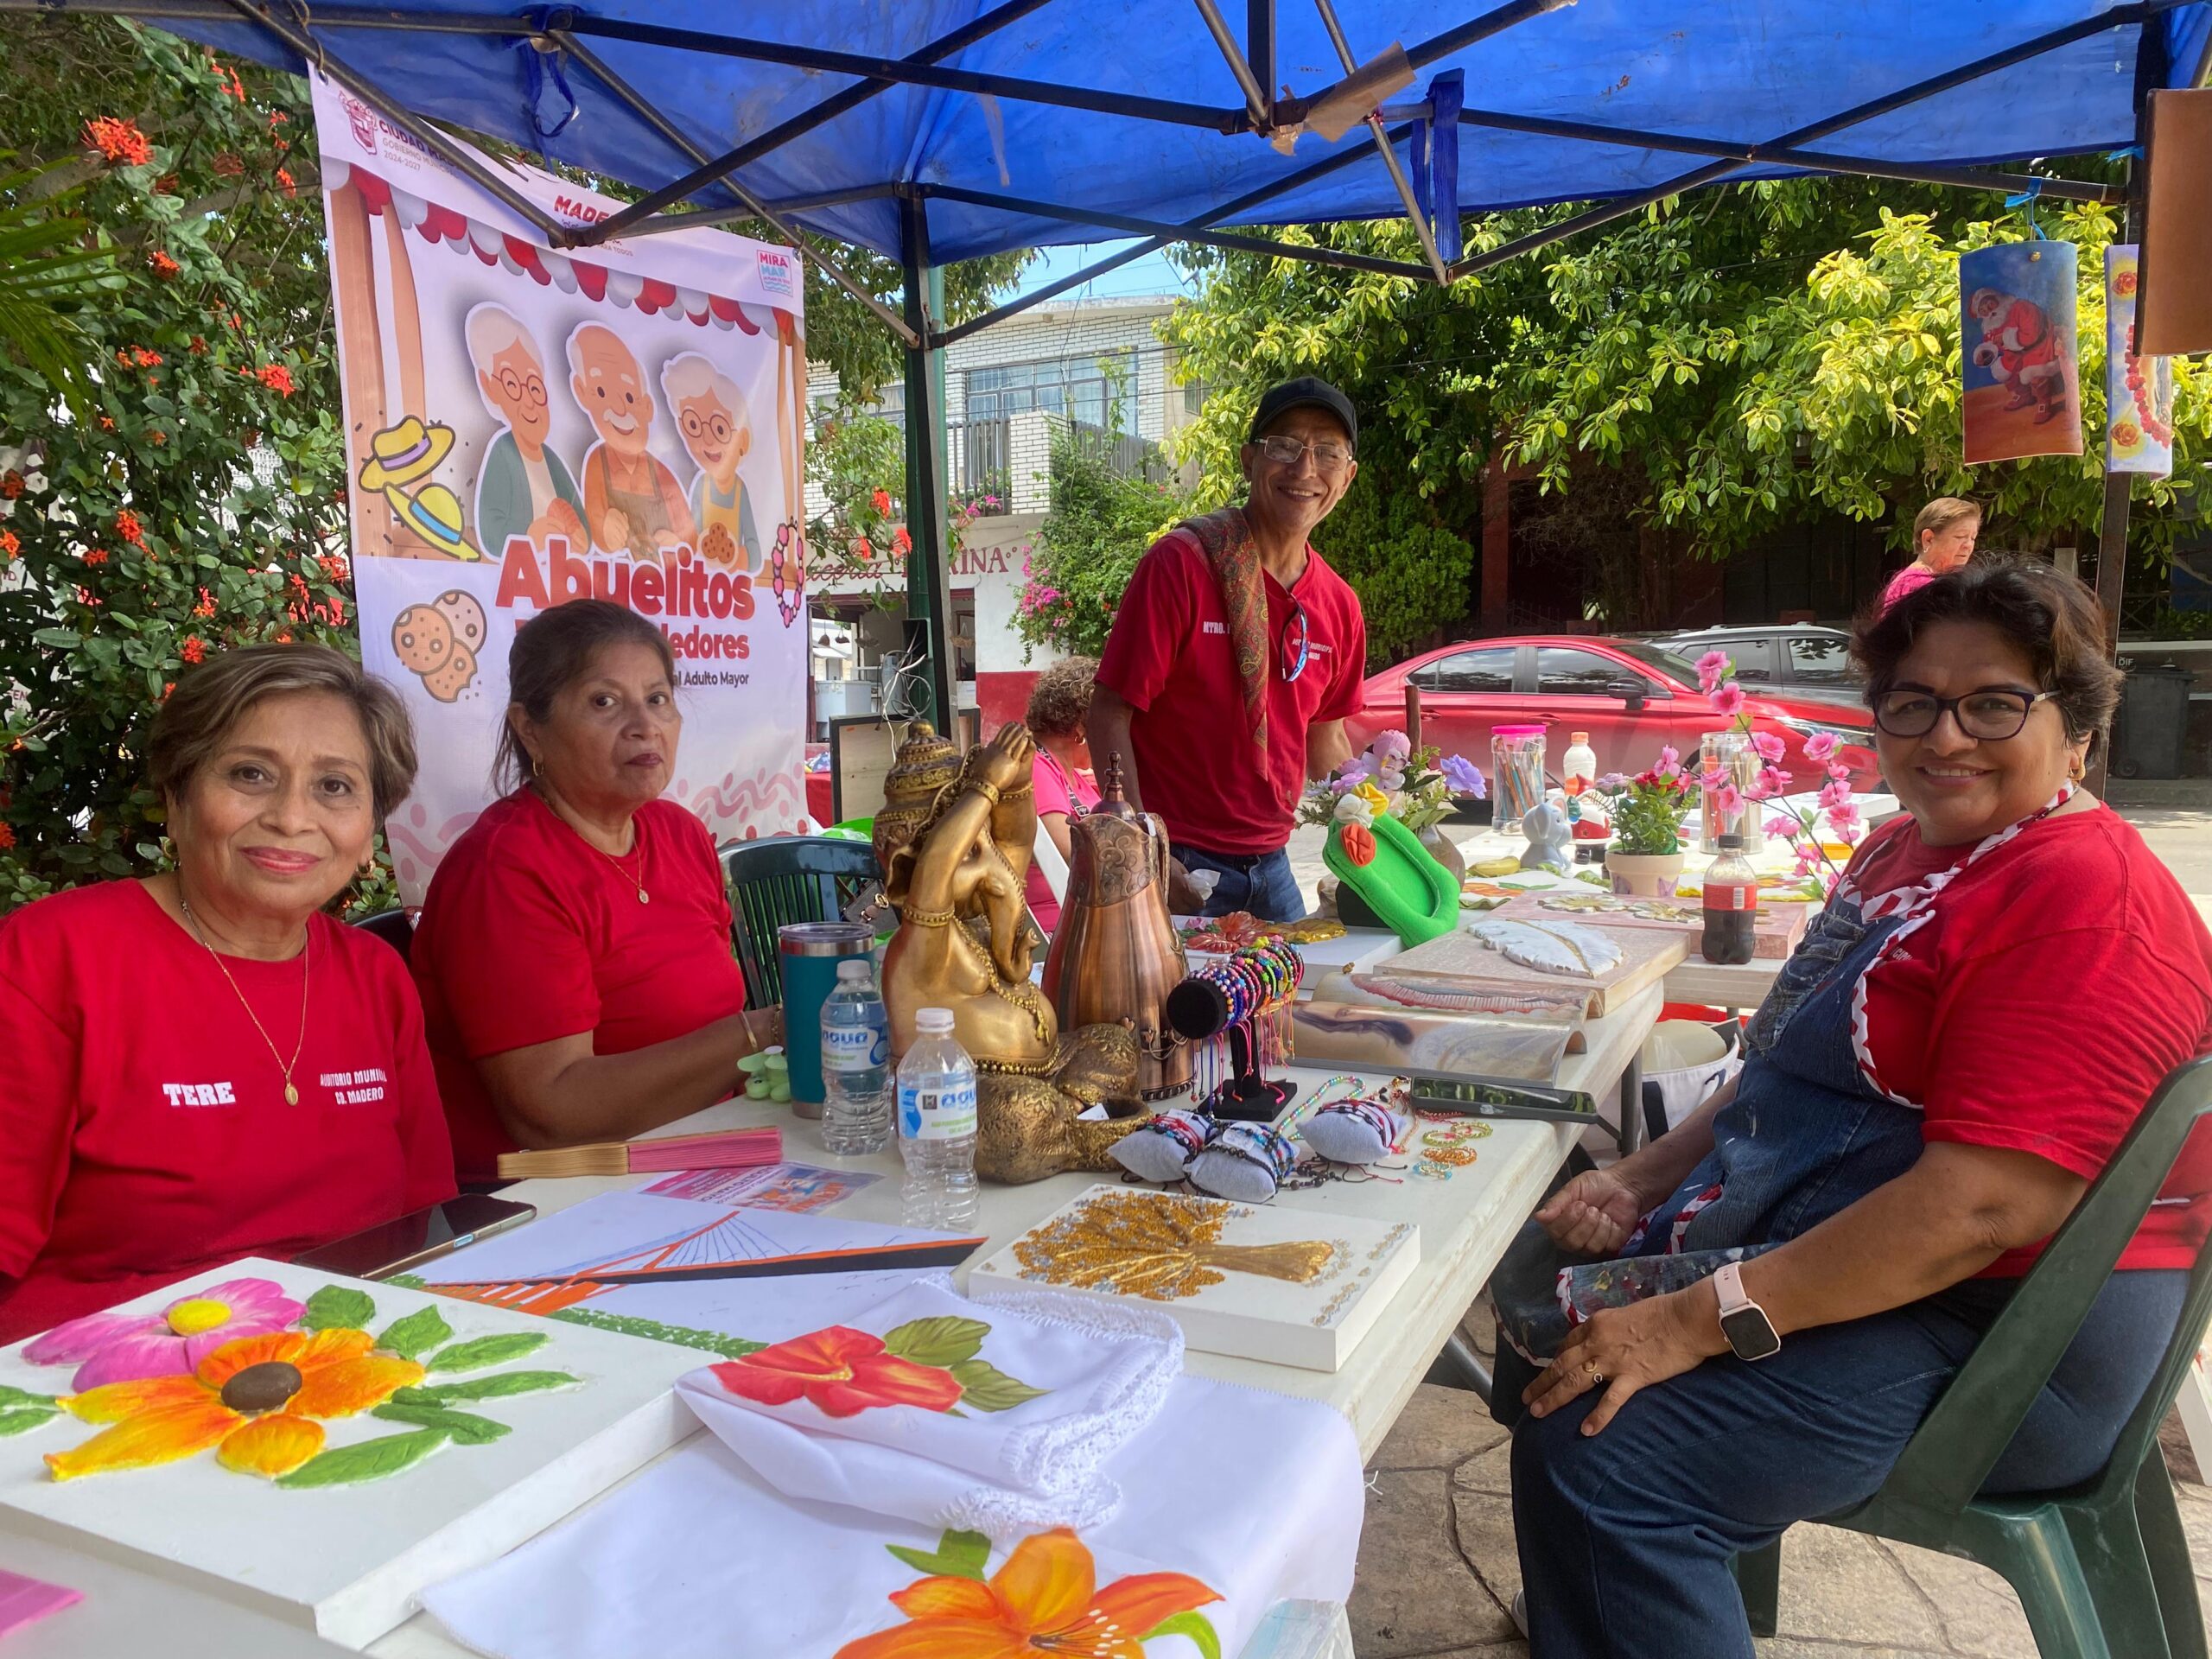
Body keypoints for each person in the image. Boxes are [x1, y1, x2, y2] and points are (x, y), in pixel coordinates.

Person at [1497, 559, 2212, 1659]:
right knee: (1539, 1312)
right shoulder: (1902, 848)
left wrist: (1691, 1320)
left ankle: (1624, 1564)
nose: (1945, 736)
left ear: (2076, 731)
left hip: (2011, 1336)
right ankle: (1611, 1603)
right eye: (1912, 703)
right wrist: (1642, 1176)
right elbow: (1786, 1070)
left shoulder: (2082, 901)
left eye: (1993, 704)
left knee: (1608, 1455)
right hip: (1891, 1256)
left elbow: (1978, 1211)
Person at [0, 645, 454, 1342]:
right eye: (250, 774)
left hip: (348, 1352)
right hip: (104, 1367)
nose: (291, 817)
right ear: (177, 798)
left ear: (370, 830)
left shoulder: (375, 976)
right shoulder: (52, 958)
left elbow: (424, 1228)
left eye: (335, 786)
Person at [410, 600, 779, 1182]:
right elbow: (552, 1115)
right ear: (530, 728)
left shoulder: (679, 834)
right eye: (604, 702)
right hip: (557, 1195)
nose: (644, 725)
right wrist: (767, 1031)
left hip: (704, 1151)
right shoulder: (505, 869)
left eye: (657, 699)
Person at [1090, 378, 1368, 922]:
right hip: (1181, 864)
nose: (1305, 469)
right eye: (1285, 446)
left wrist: (1384, 823)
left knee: (1303, 983)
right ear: (1248, 460)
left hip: (1274, 867)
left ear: (1347, 476)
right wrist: (1144, 845)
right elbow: (1109, 710)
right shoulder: (1181, 566)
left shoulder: (1339, 605)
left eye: (1327, 452)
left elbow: (1326, 737)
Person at [567, 324, 698, 561]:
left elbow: (690, 535)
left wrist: (679, 545)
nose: (620, 409)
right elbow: (592, 517)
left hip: (662, 579)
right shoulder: (597, 462)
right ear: (582, 393)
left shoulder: (662, 474)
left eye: (629, 397)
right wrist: (604, 527)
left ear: (647, 407)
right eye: (602, 392)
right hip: (612, 579)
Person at [467, 302, 586, 559]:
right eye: (512, 385)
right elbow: (490, 530)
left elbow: (582, 523)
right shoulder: (502, 452)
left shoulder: (553, 461)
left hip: (566, 574)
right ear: (490, 387)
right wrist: (530, 534)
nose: (529, 401)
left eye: (534, 387)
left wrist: (579, 534)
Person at [660, 353, 762, 574]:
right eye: (694, 426)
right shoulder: (701, 486)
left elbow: (755, 552)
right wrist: (676, 542)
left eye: (719, 428)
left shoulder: (740, 492)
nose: (707, 440)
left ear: (742, 440)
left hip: (733, 586)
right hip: (701, 583)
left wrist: (737, 559)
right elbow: (692, 537)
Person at [1023, 657, 1103, 933]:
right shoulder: (1035, 768)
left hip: (1080, 921)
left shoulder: (1072, 775)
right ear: (1081, 727)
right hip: (1057, 930)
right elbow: (1074, 854)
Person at [1879, 495, 1980, 613]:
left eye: (1973, 538)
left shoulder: (1930, 580)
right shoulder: (1919, 585)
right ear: (1928, 539)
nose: (1968, 545)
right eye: (1960, 536)